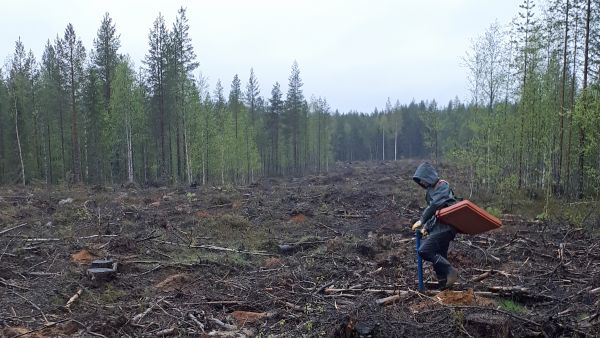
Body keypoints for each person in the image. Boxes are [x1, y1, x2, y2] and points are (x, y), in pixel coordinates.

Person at [411, 162, 459, 289]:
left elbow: (436, 204)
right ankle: (444, 286)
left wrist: (422, 220)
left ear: (428, 176)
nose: (422, 182)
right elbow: (433, 213)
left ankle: (450, 270)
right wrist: (426, 227)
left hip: (446, 227)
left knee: (424, 250)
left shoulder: (442, 185)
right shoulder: (429, 192)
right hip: (437, 228)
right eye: (420, 181)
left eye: (422, 179)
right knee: (439, 255)